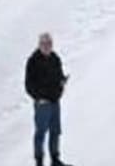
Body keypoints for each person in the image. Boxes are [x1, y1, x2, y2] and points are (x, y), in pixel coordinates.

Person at [25, 32, 70, 166]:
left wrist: (61, 85)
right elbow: (29, 84)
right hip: (42, 104)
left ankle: (55, 159)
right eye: (44, 44)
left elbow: (59, 76)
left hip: (55, 102)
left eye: (49, 44)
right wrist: (39, 98)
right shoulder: (33, 61)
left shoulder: (55, 58)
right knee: (41, 133)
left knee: (55, 131)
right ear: (39, 45)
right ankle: (39, 161)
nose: (47, 46)